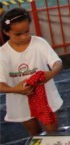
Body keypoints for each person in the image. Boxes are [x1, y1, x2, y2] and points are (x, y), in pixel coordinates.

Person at [0, 8, 63, 136]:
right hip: (20, 101)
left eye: (27, 31)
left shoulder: (39, 43)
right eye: (18, 34)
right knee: (34, 132)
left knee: (52, 130)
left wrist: (50, 74)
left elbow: (57, 63)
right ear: (6, 32)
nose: (24, 37)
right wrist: (16, 89)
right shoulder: (3, 54)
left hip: (44, 97)